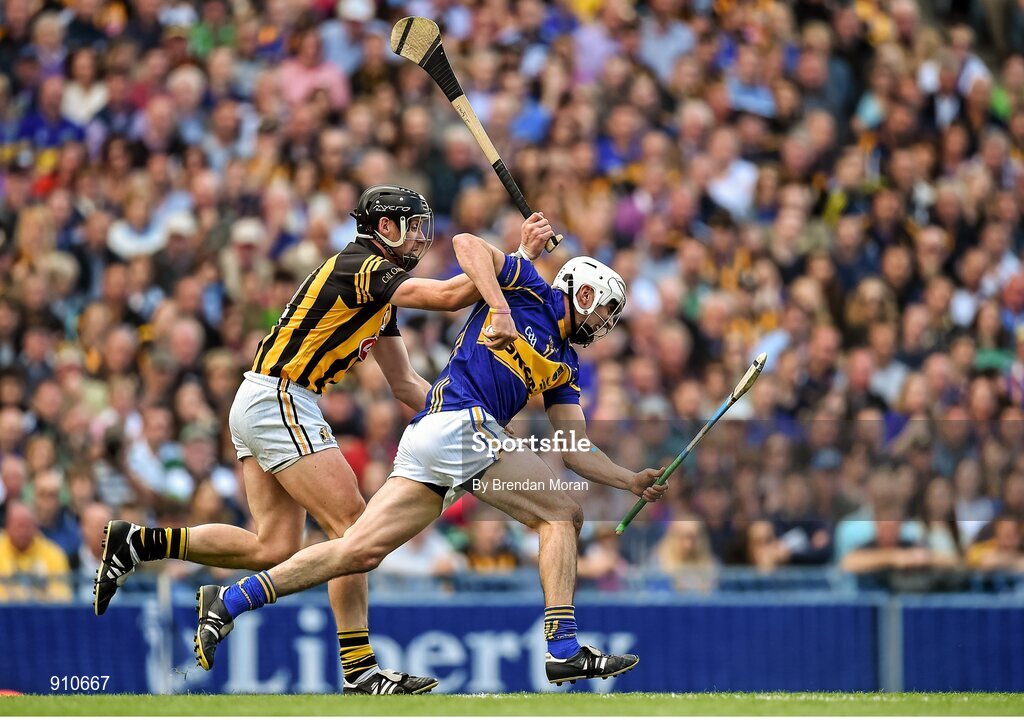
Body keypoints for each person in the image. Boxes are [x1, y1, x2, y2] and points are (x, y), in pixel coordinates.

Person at [93, 185, 554, 695]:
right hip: (281, 398)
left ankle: (139, 542)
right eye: (412, 225)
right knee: (353, 530)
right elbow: (446, 296)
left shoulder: (381, 293)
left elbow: (404, 384)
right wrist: (517, 260)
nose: (421, 236)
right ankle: (359, 670)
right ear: (384, 227)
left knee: (274, 546)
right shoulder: (364, 266)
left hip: (263, 399)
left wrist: (465, 417)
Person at [189, 237, 667, 687]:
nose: (606, 322)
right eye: (604, 308)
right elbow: (466, 244)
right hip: (459, 423)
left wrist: (630, 480)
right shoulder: (528, 287)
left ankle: (229, 600)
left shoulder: (566, 365)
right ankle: (562, 649)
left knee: (357, 551)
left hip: (434, 437)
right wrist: (499, 309)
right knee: (563, 512)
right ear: (582, 292)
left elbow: (573, 447)